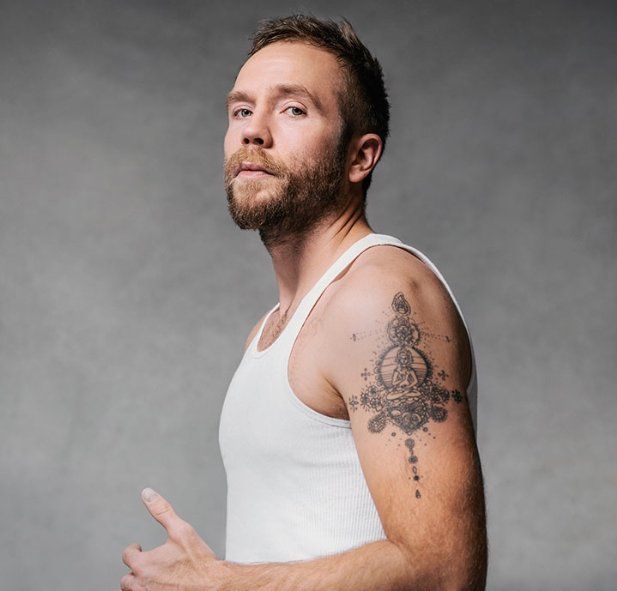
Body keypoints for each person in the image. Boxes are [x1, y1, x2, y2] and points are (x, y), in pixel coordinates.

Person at [118, 14, 487, 591]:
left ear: (360, 157)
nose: (253, 131)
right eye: (242, 110)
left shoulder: (379, 296)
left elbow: (444, 571)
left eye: (293, 109)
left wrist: (220, 583)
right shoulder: (271, 329)